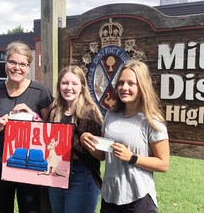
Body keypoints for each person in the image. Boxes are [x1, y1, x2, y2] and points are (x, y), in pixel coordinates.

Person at [80, 60, 170, 213]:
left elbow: (163, 164)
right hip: (110, 196)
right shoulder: (111, 114)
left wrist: (131, 157)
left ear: (142, 86)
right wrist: (89, 142)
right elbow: (102, 156)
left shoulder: (151, 121)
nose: (124, 88)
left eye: (131, 83)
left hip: (139, 198)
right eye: (121, 83)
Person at [0, 41, 54, 213]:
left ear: (29, 67)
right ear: (6, 63)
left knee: (31, 209)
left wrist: (33, 117)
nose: (17, 68)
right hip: (0, 164)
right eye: (12, 62)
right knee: (2, 209)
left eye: (22, 64)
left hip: (31, 164)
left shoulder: (40, 92)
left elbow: (51, 131)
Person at [48, 65, 103, 213]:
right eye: (65, 83)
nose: (68, 87)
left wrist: (86, 143)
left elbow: (101, 155)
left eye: (74, 83)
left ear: (82, 87)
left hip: (81, 174)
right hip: (56, 173)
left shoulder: (89, 112)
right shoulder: (55, 112)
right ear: (59, 85)